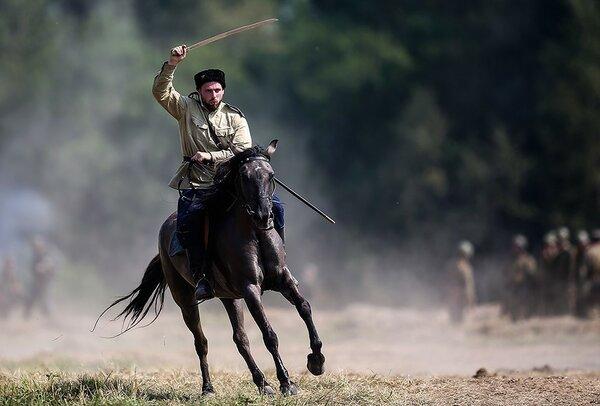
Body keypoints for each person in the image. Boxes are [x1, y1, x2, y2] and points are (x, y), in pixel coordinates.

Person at [152, 44, 285, 300]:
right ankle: (201, 276)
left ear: (223, 90)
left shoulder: (235, 117)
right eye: (208, 91)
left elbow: (243, 151)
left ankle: (278, 265)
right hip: (198, 184)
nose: (213, 95)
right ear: (199, 92)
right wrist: (172, 64)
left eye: (217, 90)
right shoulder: (185, 109)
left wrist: (210, 156)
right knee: (189, 220)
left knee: (277, 208)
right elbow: (160, 92)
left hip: (231, 184)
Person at [504, 235, 538, 320]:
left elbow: (532, 272)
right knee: (513, 307)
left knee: (524, 306)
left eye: (517, 247)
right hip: (513, 287)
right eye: (514, 246)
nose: (515, 248)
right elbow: (506, 272)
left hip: (524, 287)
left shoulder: (528, 259)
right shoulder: (511, 259)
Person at [23, 236, 55, 318]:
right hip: (37, 282)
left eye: (37, 246)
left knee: (45, 301)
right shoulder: (35, 256)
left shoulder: (46, 254)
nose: (35, 248)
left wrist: (43, 267)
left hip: (45, 283)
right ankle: (26, 316)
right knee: (31, 299)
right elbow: (33, 269)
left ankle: (49, 318)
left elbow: (49, 264)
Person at [446, 240, 476, 323]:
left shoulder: (451, 265)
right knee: (460, 322)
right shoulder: (465, 268)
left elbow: (447, 282)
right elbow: (468, 287)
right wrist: (471, 302)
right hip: (461, 298)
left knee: (453, 321)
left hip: (452, 297)